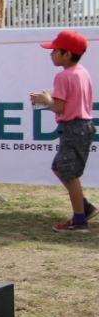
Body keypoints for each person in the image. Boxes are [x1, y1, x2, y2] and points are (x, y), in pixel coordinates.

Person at [30, 30, 96, 232]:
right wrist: (50, 98)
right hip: (82, 127)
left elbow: (59, 107)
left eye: (55, 51)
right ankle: (84, 207)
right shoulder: (82, 72)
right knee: (60, 168)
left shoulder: (63, 76)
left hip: (73, 128)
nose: (51, 54)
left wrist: (45, 100)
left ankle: (79, 220)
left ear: (67, 54)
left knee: (69, 174)